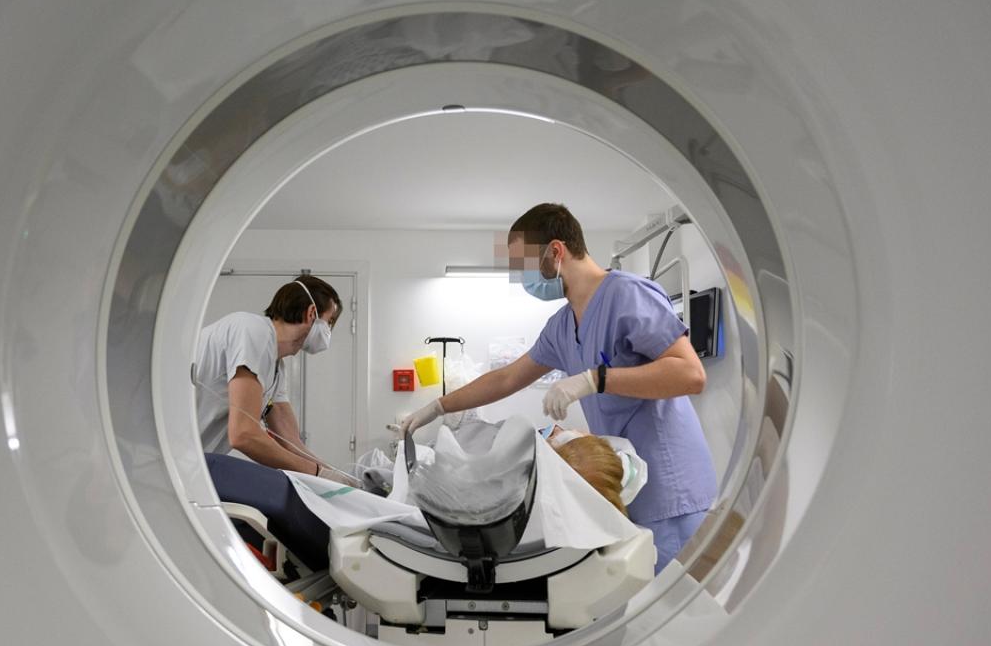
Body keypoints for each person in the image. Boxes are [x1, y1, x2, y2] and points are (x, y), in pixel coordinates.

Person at [402, 203, 717, 568]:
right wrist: (438, 407)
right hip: (625, 483)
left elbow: (691, 375)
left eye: (522, 265)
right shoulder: (562, 325)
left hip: (671, 487)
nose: (521, 278)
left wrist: (594, 379)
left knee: (676, 598)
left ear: (555, 252)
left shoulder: (628, 295)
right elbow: (507, 378)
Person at [194, 275, 357, 486]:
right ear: (311, 313)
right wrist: (318, 474)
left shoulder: (276, 368)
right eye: (330, 321)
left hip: (192, 466)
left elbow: (291, 442)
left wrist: (336, 476)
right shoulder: (252, 331)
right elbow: (243, 434)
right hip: (165, 459)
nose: (329, 330)